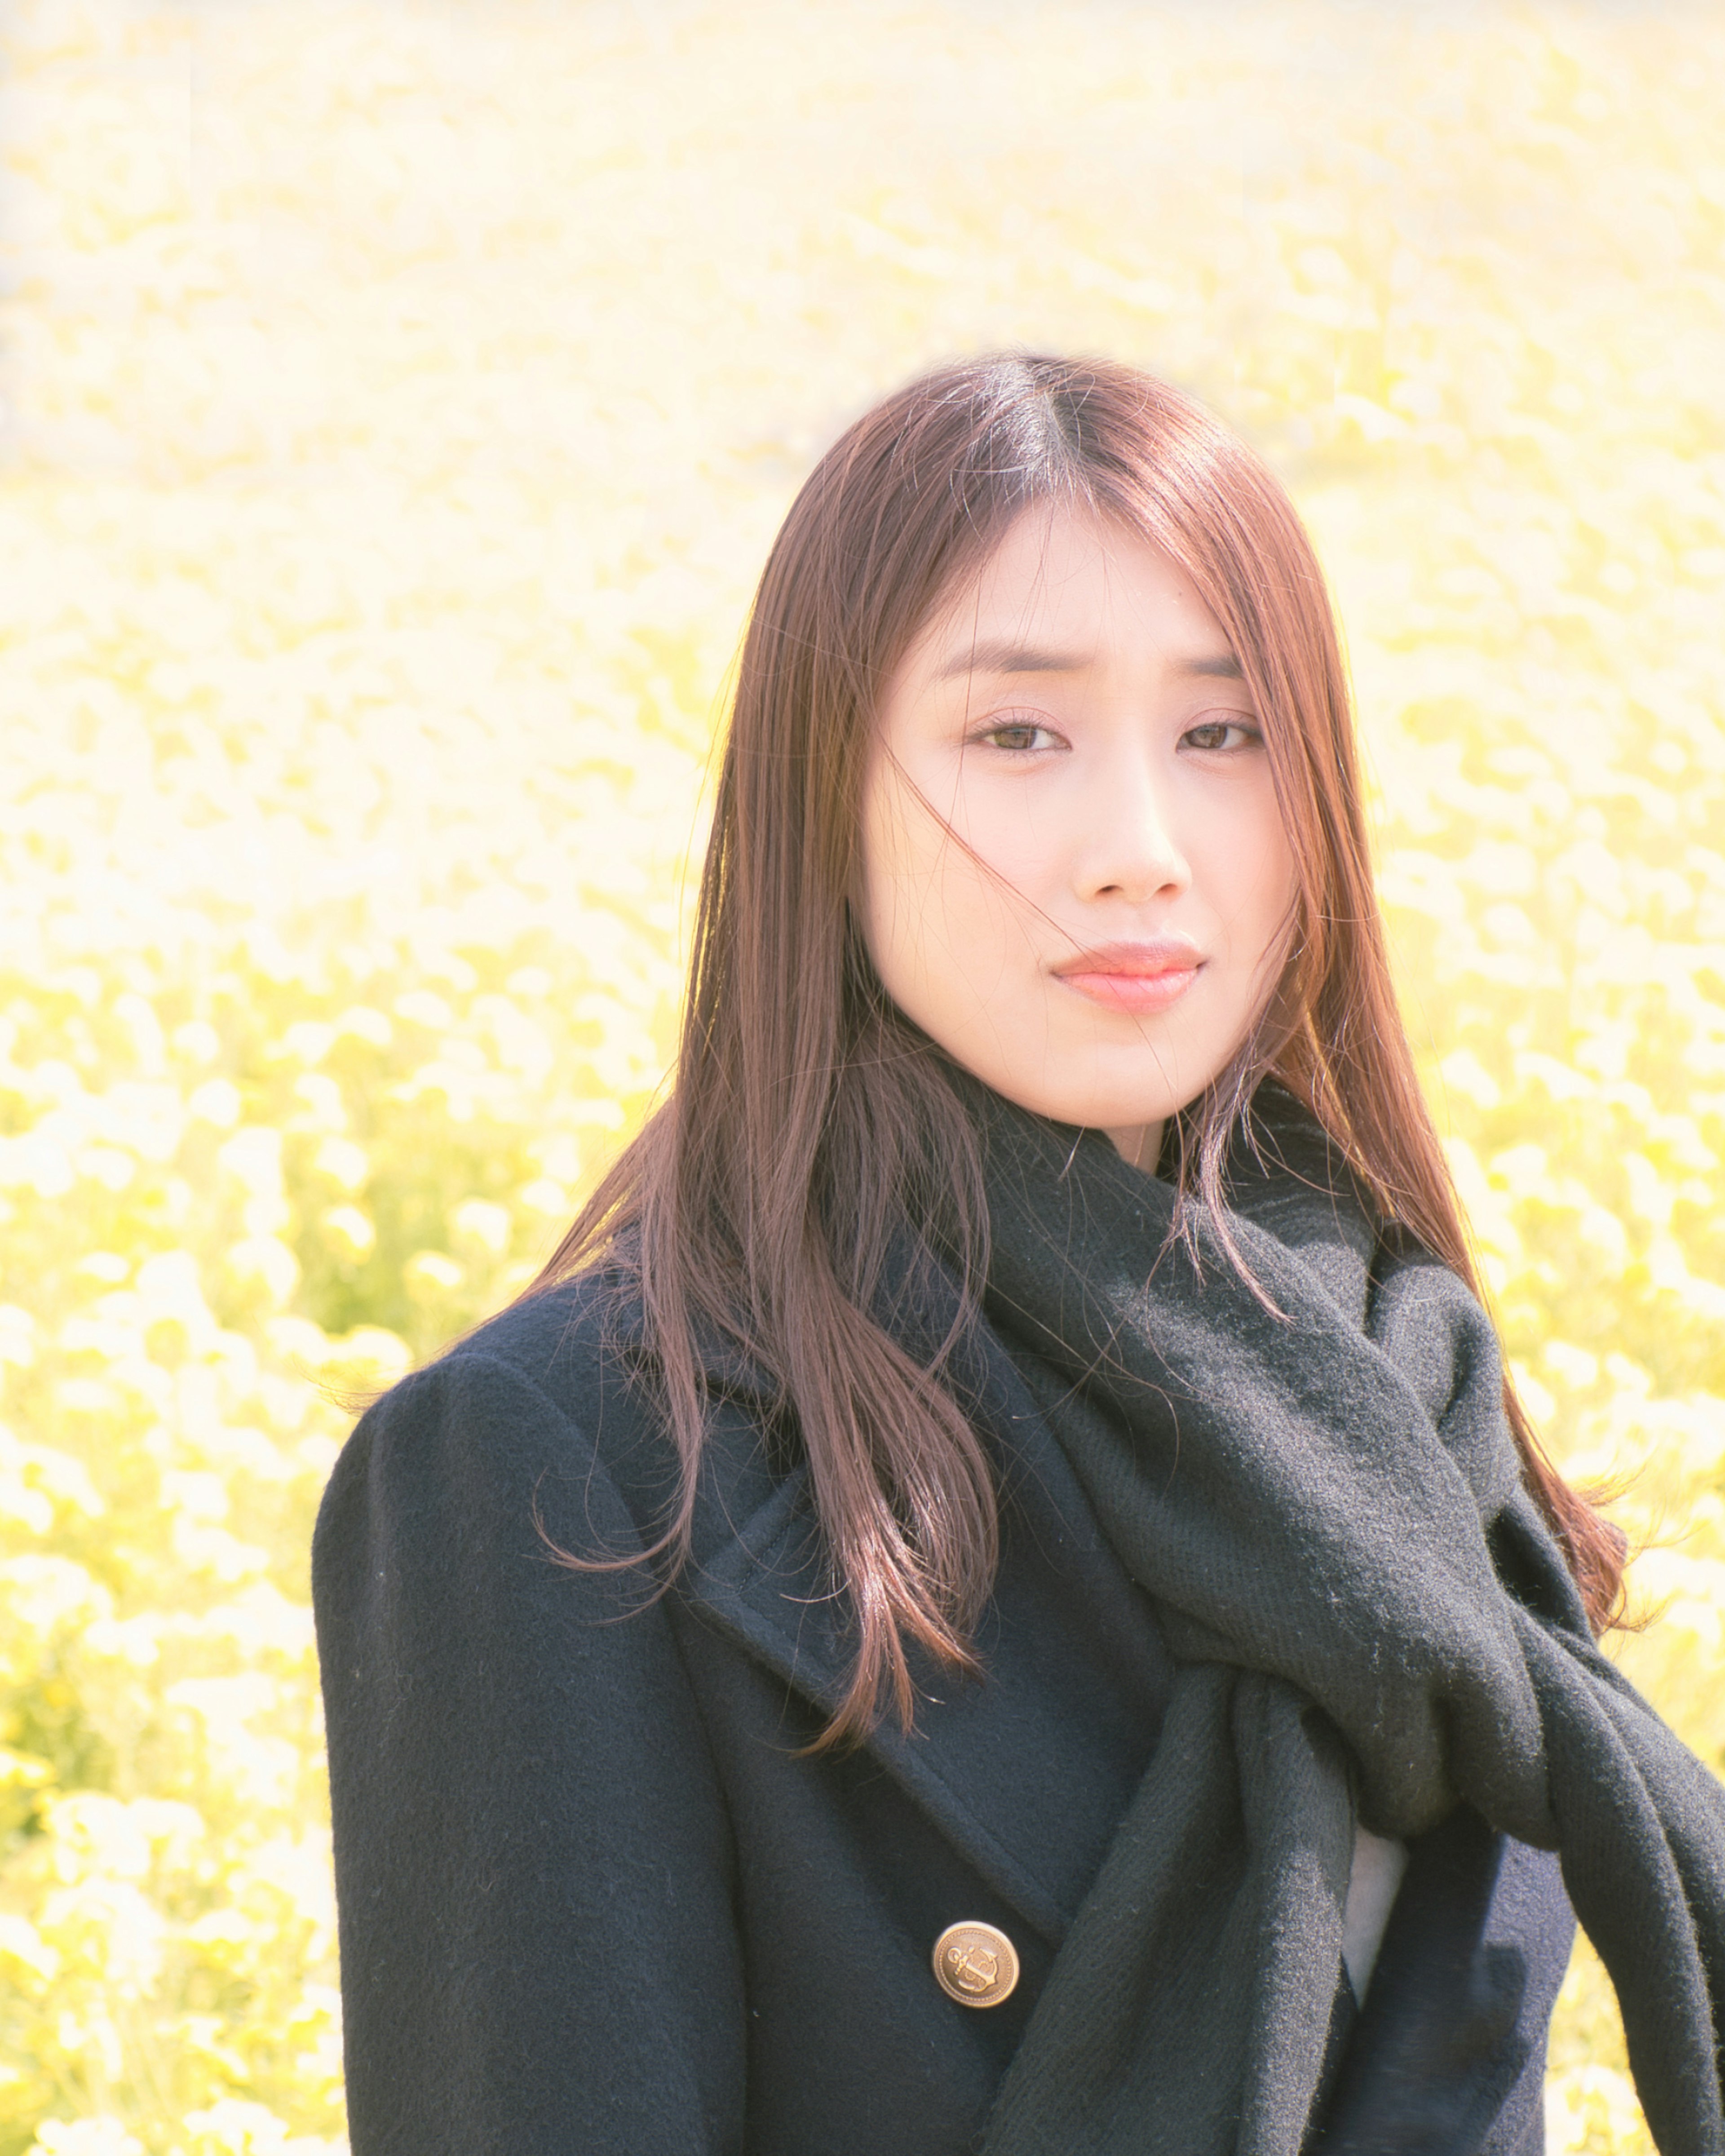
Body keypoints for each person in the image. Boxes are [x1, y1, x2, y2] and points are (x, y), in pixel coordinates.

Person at [312, 355, 1725, 2156]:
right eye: (1018, 734)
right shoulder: (566, 1465)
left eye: (1225, 735)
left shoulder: (1394, 1390)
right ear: (827, 804)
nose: (1139, 851)